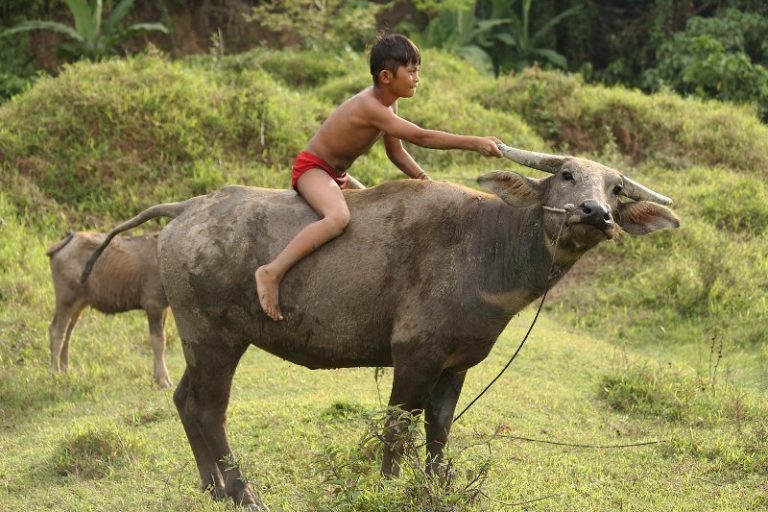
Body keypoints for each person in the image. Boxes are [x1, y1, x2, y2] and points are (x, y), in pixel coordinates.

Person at [255, 33, 503, 321]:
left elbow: (395, 151)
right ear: (386, 76)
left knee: (375, 208)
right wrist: (473, 142)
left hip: (339, 175)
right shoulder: (370, 106)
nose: (416, 77)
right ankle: (272, 272)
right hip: (314, 170)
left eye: (417, 70)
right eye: (411, 71)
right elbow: (419, 136)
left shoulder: (388, 104)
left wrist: (423, 178)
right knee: (337, 218)